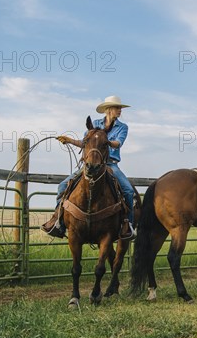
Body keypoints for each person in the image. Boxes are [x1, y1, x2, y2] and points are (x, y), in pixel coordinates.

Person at [40, 95, 136, 239]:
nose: (120, 110)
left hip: (111, 164)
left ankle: (127, 224)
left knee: (128, 190)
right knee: (62, 186)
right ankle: (57, 220)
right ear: (109, 109)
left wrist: (105, 141)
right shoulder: (95, 123)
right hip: (90, 164)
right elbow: (85, 143)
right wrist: (69, 140)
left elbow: (118, 143)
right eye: (117, 108)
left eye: (120, 108)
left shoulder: (122, 127)